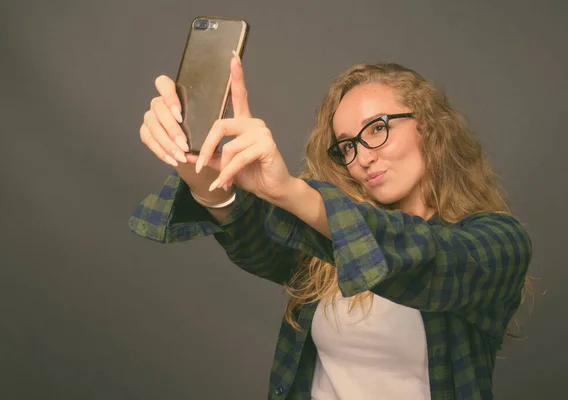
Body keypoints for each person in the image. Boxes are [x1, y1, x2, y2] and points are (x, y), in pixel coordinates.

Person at [129, 55, 532, 399]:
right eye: (347, 146)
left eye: (378, 128)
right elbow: (250, 237)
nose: (363, 158)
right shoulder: (324, 242)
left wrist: (289, 191)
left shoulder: (499, 242)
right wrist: (193, 159)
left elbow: (424, 258)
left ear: (428, 125)